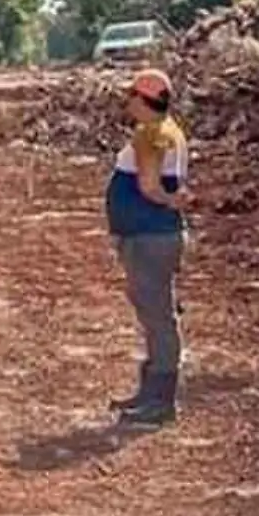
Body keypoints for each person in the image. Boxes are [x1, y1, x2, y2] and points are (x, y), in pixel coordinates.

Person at [104, 68, 191, 425]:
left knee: (157, 317)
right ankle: (151, 392)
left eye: (131, 96)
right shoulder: (168, 130)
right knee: (156, 314)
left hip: (149, 237)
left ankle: (160, 401)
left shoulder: (151, 135)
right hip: (152, 235)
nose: (127, 103)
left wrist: (170, 201)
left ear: (144, 99)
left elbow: (150, 186)